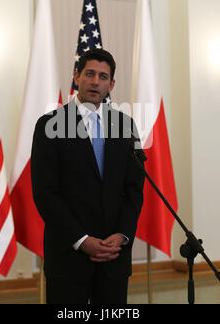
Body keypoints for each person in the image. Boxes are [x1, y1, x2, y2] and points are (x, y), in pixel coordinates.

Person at [31, 49, 144, 304]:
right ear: (76, 77)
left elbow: (135, 190)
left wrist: (122, 235)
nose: (96, 82)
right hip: (69, 256)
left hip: (114, 256)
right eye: (90, 74)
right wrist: (82, 240)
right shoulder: (49, 125)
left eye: (103, 77)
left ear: (111, 84)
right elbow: (45, 193)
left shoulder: (126, 126)